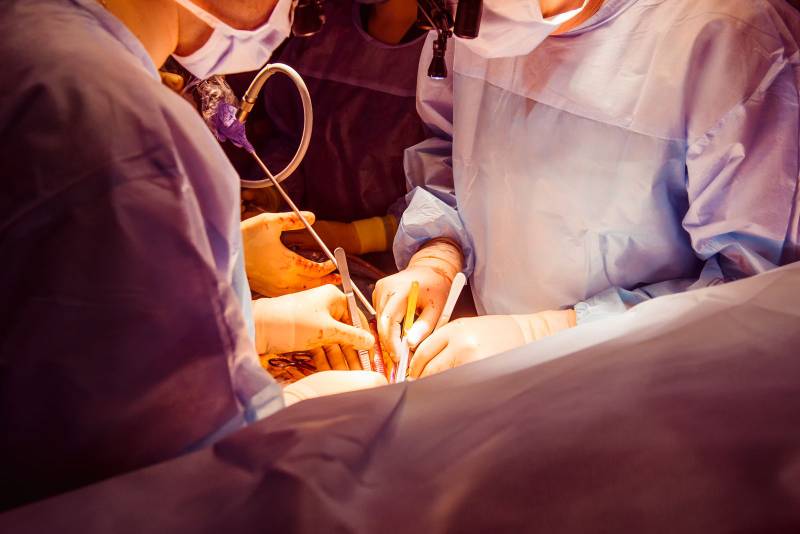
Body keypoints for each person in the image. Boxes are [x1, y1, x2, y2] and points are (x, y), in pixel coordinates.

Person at [0, 0, 386, 511]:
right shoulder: (130, 133)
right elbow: (195, 481)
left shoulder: (29, 37)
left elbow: (60, 331)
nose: (296, 14)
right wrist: (296, 407)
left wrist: (249, 326)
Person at [374, 0, 800, 376]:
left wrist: (547, 334)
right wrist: (438, 253)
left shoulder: (730, 40)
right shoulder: (462, 23)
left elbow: (753, 293)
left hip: (653, 394)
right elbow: (448, 147)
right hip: (503, 385)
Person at [245, 0, 428, 257]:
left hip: (406, 262)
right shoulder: (320, 24)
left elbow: (455, 193)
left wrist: (358, 237)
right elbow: (290, 136)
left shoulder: (459, 50)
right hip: (302, 245)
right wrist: (271, 191)